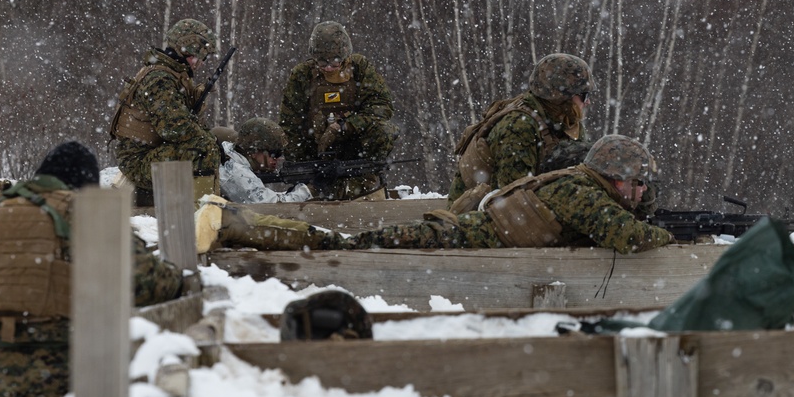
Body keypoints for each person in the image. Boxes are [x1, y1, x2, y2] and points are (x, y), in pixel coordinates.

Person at [0, 141, 187, 397]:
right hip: (59, 389)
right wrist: (180, 279)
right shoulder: (83, 212)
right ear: (85, 186)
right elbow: (150, 282)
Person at [210, 135, 675, 256]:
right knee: (341, 244)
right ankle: (239, 224)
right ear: (615, 179)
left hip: (463, 230)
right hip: (460, 237)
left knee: (345, 241)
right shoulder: (582, 191)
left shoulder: (581, 183)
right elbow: (629, 237)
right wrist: (669, 235)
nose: (639, 193)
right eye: (636, 184)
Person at [447, 53, 594, 207]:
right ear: (560, 96)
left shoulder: (565, 119)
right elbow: (511, 199)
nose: (588, 101)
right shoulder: (518, 127)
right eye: (584, 95)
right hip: (473, 221)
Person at [278, 21, 398, 201]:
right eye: (321, 62)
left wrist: (344, 127)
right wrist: (305, 166)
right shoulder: (302, 75)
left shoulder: (360, 68)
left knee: (385, 132)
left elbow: (381, 107)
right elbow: (289, 124)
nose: (327, 68)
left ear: (345, 57)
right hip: (315, 152)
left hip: (355, 150)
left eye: (334, 62)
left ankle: (360, 184)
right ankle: (317, 188)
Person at [111, 18, 221, 206]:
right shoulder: (159, 79)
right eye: (202, 57)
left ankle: (204, 203)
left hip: (149, 152)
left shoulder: (172, 74)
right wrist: (208, 140)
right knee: (204, 148)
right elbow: (175, 129)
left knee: (212, 139)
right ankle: (201, 212)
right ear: (188, 50)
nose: (202, 63)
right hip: (138, 161)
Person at [213, 119, 312, 204]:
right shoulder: (236, 172)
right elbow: (271, 206)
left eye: (279, 153)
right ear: (254, 152)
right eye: (274, 153)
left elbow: (263, 196)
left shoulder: (231, 155)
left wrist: (293, 192)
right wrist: (309, 190)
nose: (277, 159)